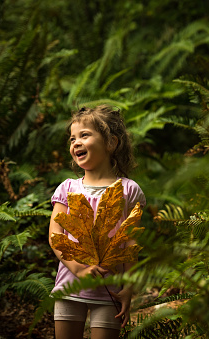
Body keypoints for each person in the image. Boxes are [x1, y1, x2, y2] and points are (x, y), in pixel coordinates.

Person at [48, 105, 146, 339]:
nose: (75, 143)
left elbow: (131, 242)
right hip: (69, 287)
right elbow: (55, 234)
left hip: (110, 292)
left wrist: (128, 287)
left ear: (111, 143)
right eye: (72, 138)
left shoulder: (128, 190)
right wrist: (78, 269)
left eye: (84, 135)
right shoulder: (68, 188)